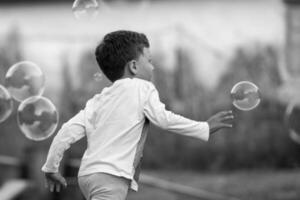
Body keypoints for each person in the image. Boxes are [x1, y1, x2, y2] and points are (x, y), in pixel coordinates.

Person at [41, 30, 234, 200]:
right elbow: (165, 120)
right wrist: (203, 127)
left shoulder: (97, 100)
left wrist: (50, 168)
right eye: (149, 61)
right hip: (111, 177)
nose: (153, 67)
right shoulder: (143, 88)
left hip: (87, 176)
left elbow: (66, 132)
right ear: (133, 66)